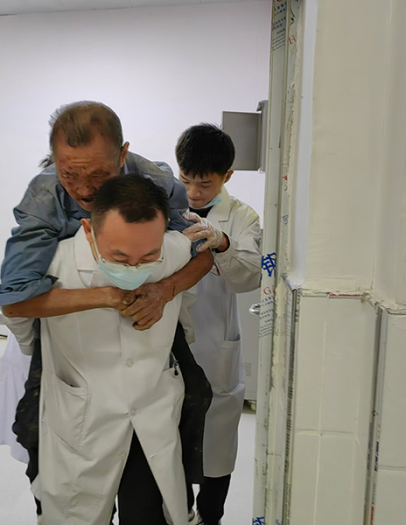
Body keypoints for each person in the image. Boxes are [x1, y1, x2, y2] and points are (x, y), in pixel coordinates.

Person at [0, 102, 213, 521]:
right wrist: (104, 296)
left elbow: (201, 250)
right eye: (70, 174)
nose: (84, 188)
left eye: (98, 175)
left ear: (122, 155)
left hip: (152, 393)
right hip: (77, 398)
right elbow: (14, 301)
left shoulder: (161, 190)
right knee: (70, 503)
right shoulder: (46, 211)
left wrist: (164, 290)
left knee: (152, 503)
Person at [6, 175, 195, 524]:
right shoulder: (56, 263)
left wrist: (166, 289)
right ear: (89, 231)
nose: (135, 268)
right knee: (78, 512)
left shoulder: (172, 249)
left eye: (148, 256)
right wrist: (36, 346)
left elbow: (202, 257)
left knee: (150, 512)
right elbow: (16, 311)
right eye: (119, 256)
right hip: (83, 419)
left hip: (153, 409)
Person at [177, 124, 262, 525]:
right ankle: (180, 513)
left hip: (215, 347)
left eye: (205, 184)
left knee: (216, 447)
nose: (193, 192)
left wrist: (223, 243)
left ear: (227, 176)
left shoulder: (243, 217)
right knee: (170, 443)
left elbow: (250, 277)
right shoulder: (167, 207)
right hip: (170, 344)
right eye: (186, 180)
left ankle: (211, 517)